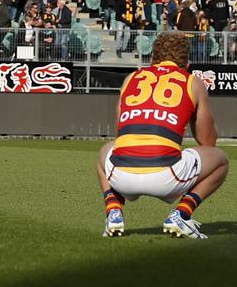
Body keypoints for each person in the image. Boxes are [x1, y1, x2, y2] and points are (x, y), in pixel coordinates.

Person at [95, 33, 229, 239]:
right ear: (187, 62)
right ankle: (181, 214)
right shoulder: (192, 81)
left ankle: (113, 212)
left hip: (121, 177)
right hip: (166, 176)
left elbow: (120, 131)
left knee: (106, 149)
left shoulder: (131, 78)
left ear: (152, 59)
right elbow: (208, 143)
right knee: (220, 159)